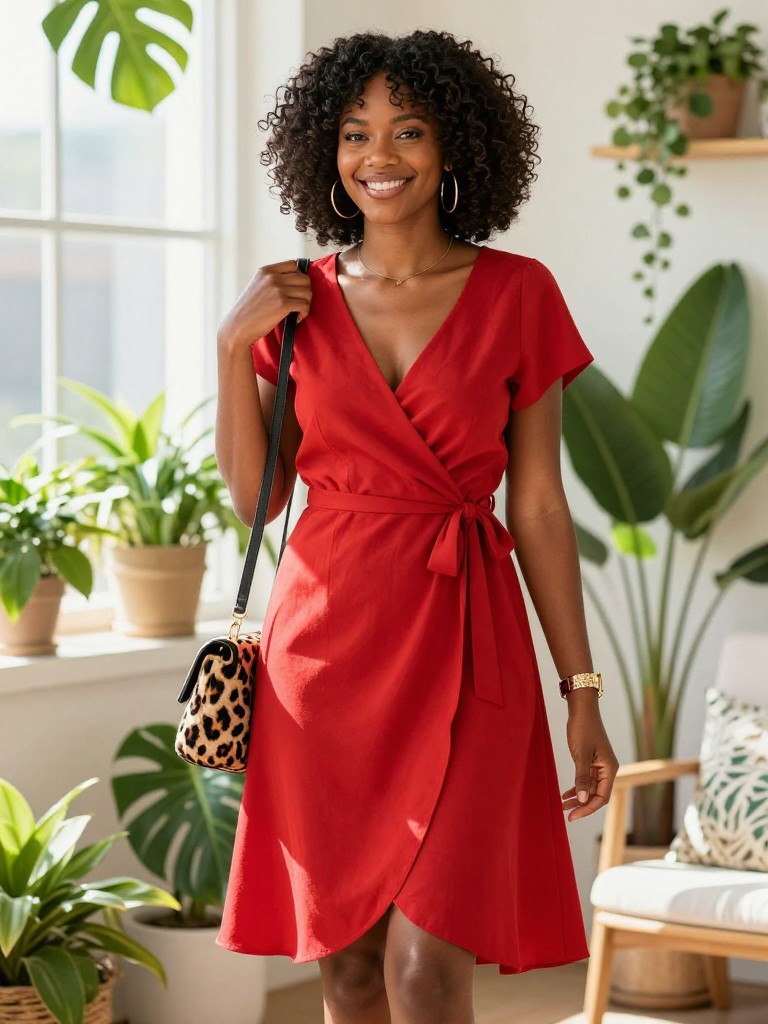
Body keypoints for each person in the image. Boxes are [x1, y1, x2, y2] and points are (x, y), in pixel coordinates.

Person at [214, 27, 619, 1024]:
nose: (379, 156)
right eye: (355, 133)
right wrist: (234, 347)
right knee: (346, 966)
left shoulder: (518, 293)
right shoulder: (297, 304)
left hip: (468, 642)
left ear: (454, 148)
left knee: (424, 969)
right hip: (323, 656)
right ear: (325, 149)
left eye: (408, 130)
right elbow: (260, 502)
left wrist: (581, 691)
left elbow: (537, 507)